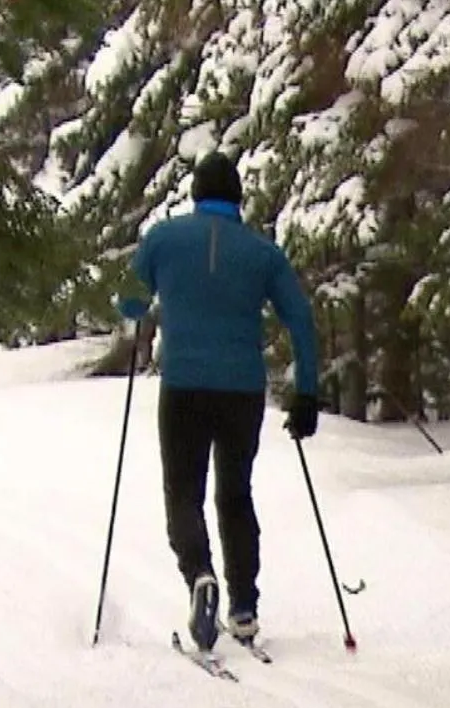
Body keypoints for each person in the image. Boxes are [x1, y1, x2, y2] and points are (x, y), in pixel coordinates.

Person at [130, 151, 319, 651]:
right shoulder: (262, 253)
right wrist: (308, 393)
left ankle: (199, 576)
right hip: (241, 389)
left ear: (195, 196)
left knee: (183, 492)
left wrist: (143, 307)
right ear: (237, 200)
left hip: (184, 385)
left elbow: (126, 298)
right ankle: (244, 608)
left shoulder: (163, 239)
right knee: (235, 494)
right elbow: (300, 318)